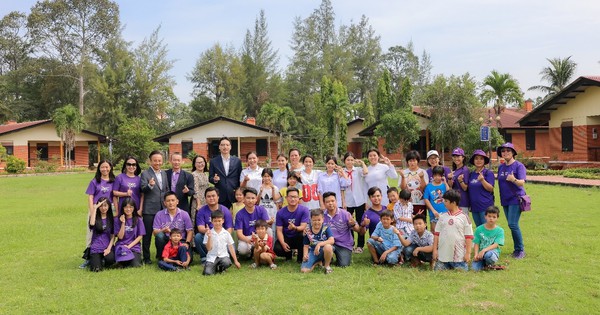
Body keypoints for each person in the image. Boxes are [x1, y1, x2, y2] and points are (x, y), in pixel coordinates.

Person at [81, 159, 115, 268]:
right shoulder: (95, 181)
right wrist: (93, 211)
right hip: (96, 210)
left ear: (110, 168)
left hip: (109, 210)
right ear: (99, 169)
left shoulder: (114, 181)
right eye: (102, 167)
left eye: (107, 167)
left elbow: (115, 197)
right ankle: (89, 257)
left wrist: (116, 212)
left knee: (109, 232)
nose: (105, 169)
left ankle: (108, 253)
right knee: (91, 234)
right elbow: (90, 197)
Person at [497, 142, 527, 259]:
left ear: (513, 153)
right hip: (505, 200)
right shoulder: (501, 167)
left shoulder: (519, 166)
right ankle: (516, 250)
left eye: (508, 151)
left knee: (513, 224)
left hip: (516, 199)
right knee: (511, 225)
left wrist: (513, 179)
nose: (505, 153)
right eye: (503, 151)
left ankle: (520, 250)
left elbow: (522, 182)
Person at [433, 190, 473, 271]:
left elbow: (468, 237)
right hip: (443, 257)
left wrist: (468, 253)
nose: (444, 203)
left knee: (460, 273)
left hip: (459, 257)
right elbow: (436, 234)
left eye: (446, 201)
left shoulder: (464, 217)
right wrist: (435, 250)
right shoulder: (442, 217)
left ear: (454, 202)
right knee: (438, 272)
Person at [140, 150, 169, 265]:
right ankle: (146, 257)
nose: (157, 163)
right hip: (149, 209)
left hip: (162, 209)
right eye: (155, 160)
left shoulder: (164, 173)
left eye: (159, 160)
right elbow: (142, 189)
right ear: (150, 161)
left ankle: (160, 254)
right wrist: (150, 185)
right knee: (147, 234)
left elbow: (166, 189)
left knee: (162, 234)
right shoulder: (145, 174)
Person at [194, 187, 234, 262]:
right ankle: (204, 258)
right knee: (198, 237)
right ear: (205, 198)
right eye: (208, 196)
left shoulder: (225, 210)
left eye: (213, 196)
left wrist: (222, 237)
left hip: (222, 236)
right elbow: (200, 228)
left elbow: (229, 228)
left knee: (231, 249)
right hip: (209, 235)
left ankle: (221, 258)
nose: (211, 198)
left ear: (218, 197)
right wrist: (208, 232)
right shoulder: (201, 211)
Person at [152, 192, 194, 263]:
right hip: (167, 241)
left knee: (189, 260)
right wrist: (163, 230)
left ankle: (175, 259)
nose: (170, 203)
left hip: (181, 240)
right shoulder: (159, 214)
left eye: (173, 200)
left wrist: (187, 243)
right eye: (168, 201)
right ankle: (162, 257)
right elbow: (155, 232)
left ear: (177, 201)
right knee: (159, 236)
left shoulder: (184, 214)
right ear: (164, 203)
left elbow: (189, 231)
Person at [322, 192, 360, 267]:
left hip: (343, 244)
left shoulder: (345, 214)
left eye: (332, 201)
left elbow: (358, 229)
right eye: (328, 202)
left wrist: (353, 224)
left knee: (343, 265)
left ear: (336, 201)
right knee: (322, 260)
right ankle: (329, 257)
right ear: (324, 203)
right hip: (328, 243)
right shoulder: (322, 216)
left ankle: (342, 256)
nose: (330, 203)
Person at [342, 152, 368, 254]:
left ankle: (360, 245)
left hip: (359, 200)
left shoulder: (357, 170)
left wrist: (361, 163)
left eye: (352, 160)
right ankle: (351, 243)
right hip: (348, 201)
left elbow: (366, 172)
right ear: (344, 161)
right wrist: (343, 201)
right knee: (349, 223)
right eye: (348, 160)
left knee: (361, 222)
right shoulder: (341, 172)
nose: (350, 162)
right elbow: (342, 188)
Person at [274, 187, 310, 262]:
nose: (293, 199)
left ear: (298, 198)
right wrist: (283, 243)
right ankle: (288, 255)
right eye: (290, 197)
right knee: (277, 249)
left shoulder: (304, 210)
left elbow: (303, 226)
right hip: (286, 236)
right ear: (286, 198)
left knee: (302, 234)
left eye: (295, 197)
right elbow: (279, 230)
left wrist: (295, 228)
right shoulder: (280, 212)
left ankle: (300, 258)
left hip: (298, 236)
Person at [235, 188, 271, 258]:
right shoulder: (239, 214)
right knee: (242, 250)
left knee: (269, 230)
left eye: (253, 198)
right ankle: (251, 254)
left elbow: (266, 225)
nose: (250, 200)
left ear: (256, 199)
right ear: (244, 199)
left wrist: (269, 222)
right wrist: (248, 240)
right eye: (248, 198)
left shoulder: (261, 209)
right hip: (246, 237)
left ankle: (267, 252)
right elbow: (239, 234)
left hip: (259, 235)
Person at [203, 210, 241, 275]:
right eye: (215, 221)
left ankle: (221, 268)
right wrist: (209, 237)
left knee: (227, 262)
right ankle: (213, 267)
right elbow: (209, 248)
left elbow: (231, 247)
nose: (217, 223)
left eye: (219, 221)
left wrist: (236, 261)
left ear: (223, 221)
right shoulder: (208, 233)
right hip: (212, 257)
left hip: (223, 256)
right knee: (207, 273)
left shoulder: (226, 233)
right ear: (212, 221)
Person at [209, 136, 243, 208]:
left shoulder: (237, 161)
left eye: (227, 145)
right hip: (220, 195)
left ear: (230, 147)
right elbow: (210, 178)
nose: (225, 147)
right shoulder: (213, 161)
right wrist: (214, 179)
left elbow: (240, 177)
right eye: (222, 145)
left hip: (234, 194)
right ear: (219, 147)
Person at [301, 209, 335, 274]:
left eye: (319, 220)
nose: (317, 222)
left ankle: (327, 266)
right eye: (314, 220)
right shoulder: (307, 230)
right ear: (311, 220)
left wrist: (319, 244)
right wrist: (305, 255)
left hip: (324, 249)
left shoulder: (326, 228)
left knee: (328, 247)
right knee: (304, 270)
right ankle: (317, 262)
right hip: (313, 251)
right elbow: (306, 245)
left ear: (323, 219)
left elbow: (332, 240)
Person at [472, 206, 505, 271]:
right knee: (474, 269)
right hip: (480, 254)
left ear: (497, 218)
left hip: (492, 252)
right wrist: (476, 255)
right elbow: (476, 243)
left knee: (488, 255)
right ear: (485, 217)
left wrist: (484, 250)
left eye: (494, 217)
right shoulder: (479, 229)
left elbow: (496, 244)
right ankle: (486, 265)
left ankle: (489, 263)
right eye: (489, 216)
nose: (491, 219)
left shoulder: (500, 230)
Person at [114, 197, 145, 268]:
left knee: (135, 265)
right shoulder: (117, 220)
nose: (128, 209)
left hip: (134, 246)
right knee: (122, 264)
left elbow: (140, 236)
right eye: (126, 207)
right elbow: (120, 237)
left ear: (134, 208)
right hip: (122, 246)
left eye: (131, 207)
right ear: (123, 208)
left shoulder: (138, 219)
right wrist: (123, 223)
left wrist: (128, 247)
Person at [467, 150, 495, 227]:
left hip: (485, 207)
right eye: (476, 158)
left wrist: (482, 180)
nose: (478, 161)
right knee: (479, 230)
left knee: (487, 229)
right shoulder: (471, 174)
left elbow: (491, 188)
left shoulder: (488, 173)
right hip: (474, 207)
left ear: (484, 161)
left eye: (481, 158)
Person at [88, 197, 115, 272]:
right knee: (96, 269)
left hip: (107, 247)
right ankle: (95, 260)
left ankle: (103, 260)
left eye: (105, 205)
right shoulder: (94, 217)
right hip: (96, 247)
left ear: (109, 206)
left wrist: (109, 248)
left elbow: (113, 236)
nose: (103, 208)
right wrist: (95, 208)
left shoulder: (111, 219)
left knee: (110, 260)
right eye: (101, 206)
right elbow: (92, 224)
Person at [400, 150, 428, 218]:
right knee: (408, 223)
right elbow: (403, 188)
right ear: (407, 162)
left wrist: (421, 178)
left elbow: (424, 188)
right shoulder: (404, 172)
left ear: (417, 161)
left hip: (420, 203)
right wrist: (403, 177)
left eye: (414, 160)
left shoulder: (423, 172)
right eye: (410, 161)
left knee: (420, 223)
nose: (412, 163)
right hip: (407, 203)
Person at [424, 166, 450, 231]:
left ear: (442, 176)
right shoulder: (429, 186)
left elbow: (449, 193)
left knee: (445, 231)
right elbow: (426, 199)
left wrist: (446, 183)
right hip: (433, 213)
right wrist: (433, 210)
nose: (437, 177)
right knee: (434, 231)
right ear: (433, 175)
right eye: (435, 175)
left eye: (439, 175)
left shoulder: (444, 185)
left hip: (445, 212)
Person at [447, 147, 470, 217]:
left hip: (463, 202)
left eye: (458, 156)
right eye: (454, 156)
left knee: (463, 223)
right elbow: (451, 186)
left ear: (463, 157)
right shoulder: (454, 171)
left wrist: (460, 181)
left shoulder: (465, 170)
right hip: (455, 201)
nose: (456, 158)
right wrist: (449, 178)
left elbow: (465, 188)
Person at [190, 155, 209, 224]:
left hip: (206, 201)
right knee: (197, 221)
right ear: (194, 164)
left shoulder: (205, 174)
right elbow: (196, 190)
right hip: (198, 202)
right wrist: (199, 204)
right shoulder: (194, 175)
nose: (200, 164)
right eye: (198, 162)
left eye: (202, 162)